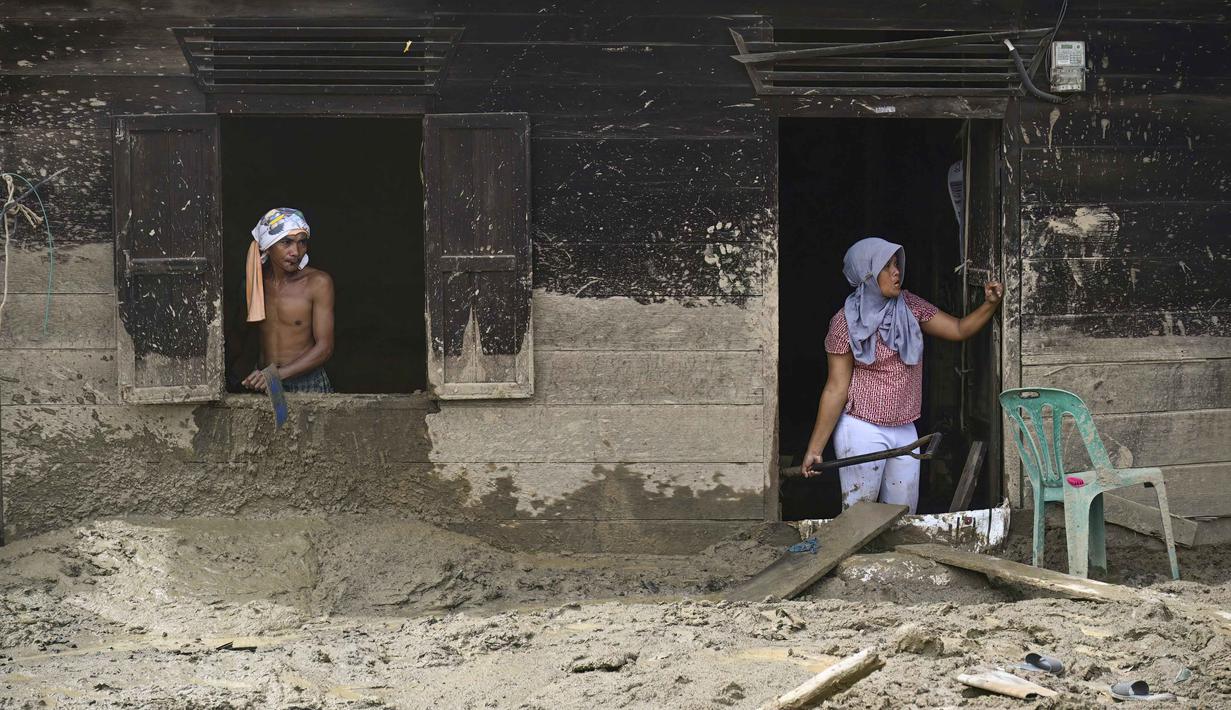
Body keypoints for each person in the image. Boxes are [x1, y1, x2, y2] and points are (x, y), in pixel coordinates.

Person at [801, 237, 1003, 514]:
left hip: (905, 429)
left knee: (904, 513)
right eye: (887, 266)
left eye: (897, 264)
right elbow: (836, 388)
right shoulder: (843, 323)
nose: (897, 271)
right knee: (860, 514)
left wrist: (989, 304)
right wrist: (815, 448)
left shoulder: (910, 306)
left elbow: (958, 329)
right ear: (866, 273)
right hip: (861, 428)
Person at [238, 208, 335, 394]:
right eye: (286, 242)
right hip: (264, 382)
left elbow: (325, 348)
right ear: (268, 245)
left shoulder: (318, 283)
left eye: (302, 242)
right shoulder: (255, 284)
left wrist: (277, 375)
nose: (296, 251)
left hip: (307, 382)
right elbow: (241, 335)